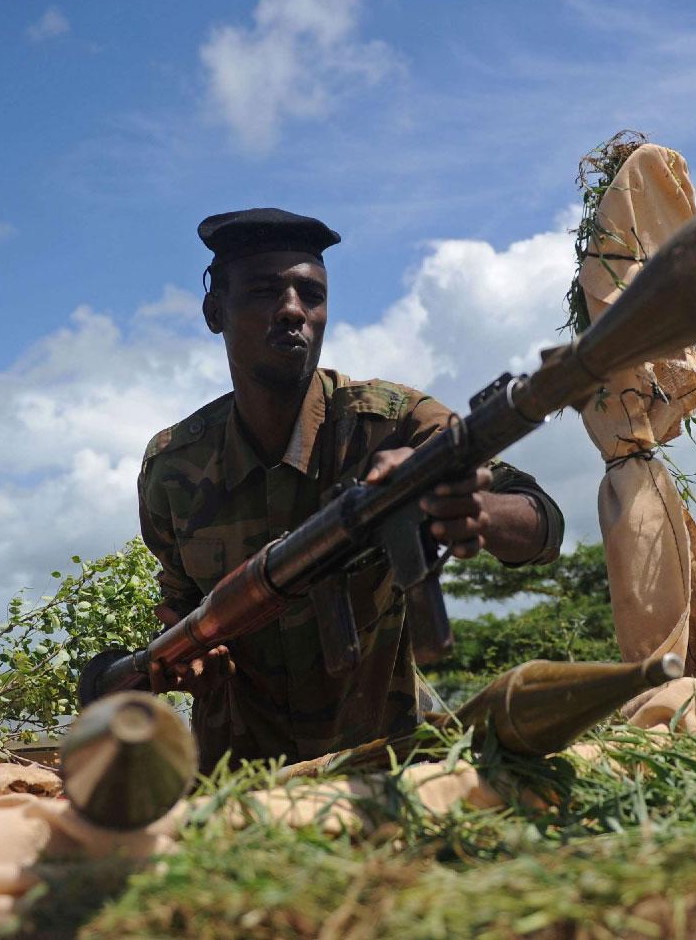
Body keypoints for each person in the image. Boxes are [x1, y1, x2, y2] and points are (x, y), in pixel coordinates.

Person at [138, 208, 565, 771]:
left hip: (382, 767)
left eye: (310, 295)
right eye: (266, 291)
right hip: (236, 785)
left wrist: (475, 510)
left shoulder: (397, 422)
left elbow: (543, 523)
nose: (293, 311)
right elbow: (178, 604)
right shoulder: (175, 466)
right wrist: (188, 655)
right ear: (215, 311)